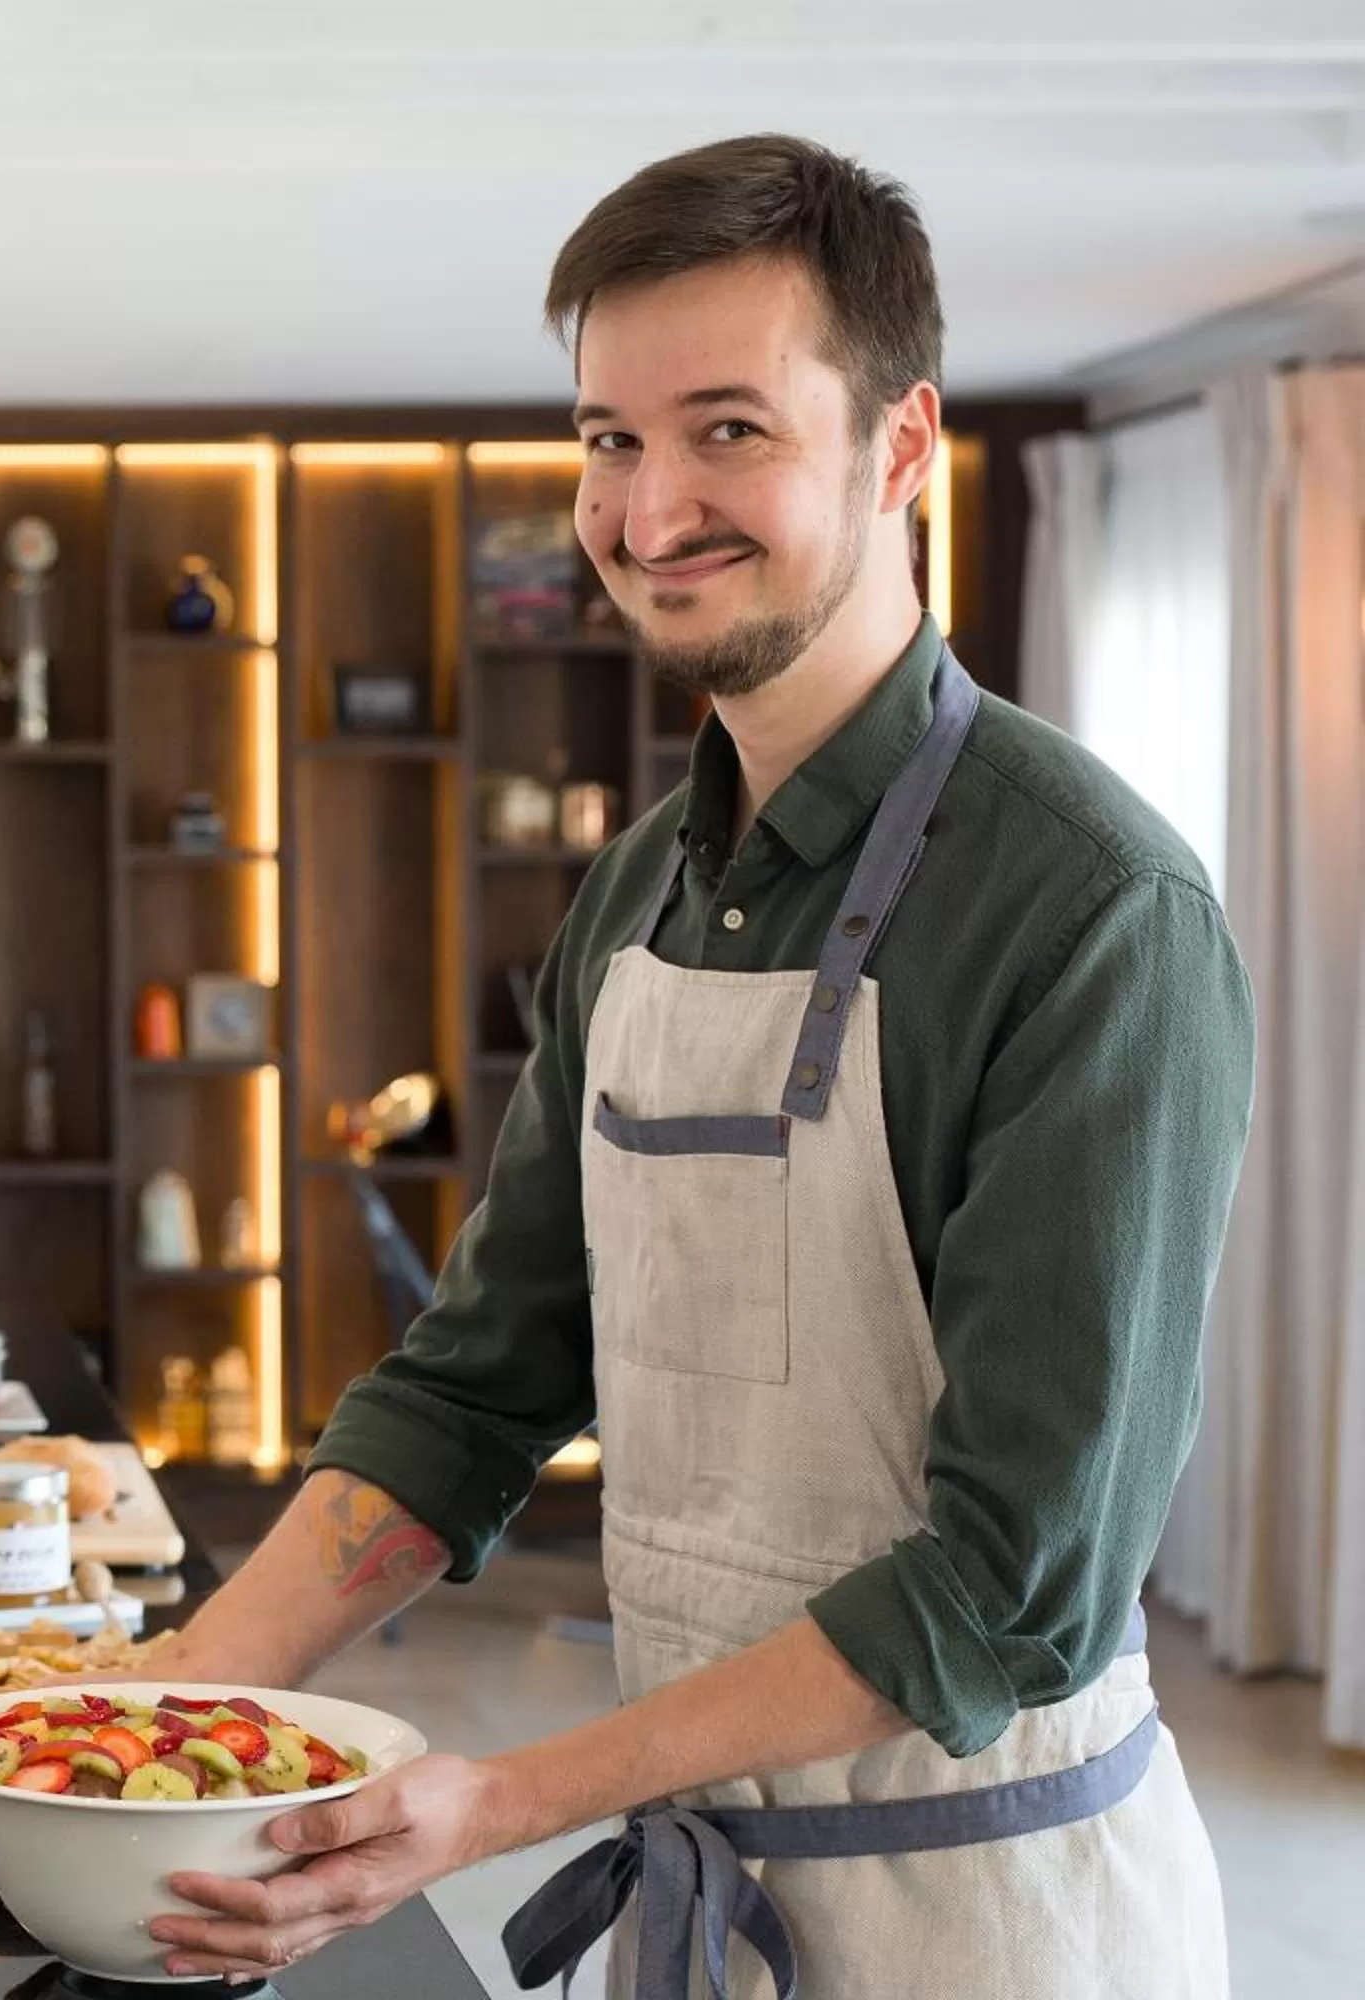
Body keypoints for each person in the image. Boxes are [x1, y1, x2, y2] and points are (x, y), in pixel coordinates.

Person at [143, 134, 1249, 1997]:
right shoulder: (642, 886)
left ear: (899, 448)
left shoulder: (1095, 912)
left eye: (727, 429)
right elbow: (482, 1382)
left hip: (991, 1927)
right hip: (704, 1923)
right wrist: (151, 1709)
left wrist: (493, 1801)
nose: (648, 511)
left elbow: (1015, 1588)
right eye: (606, 439)